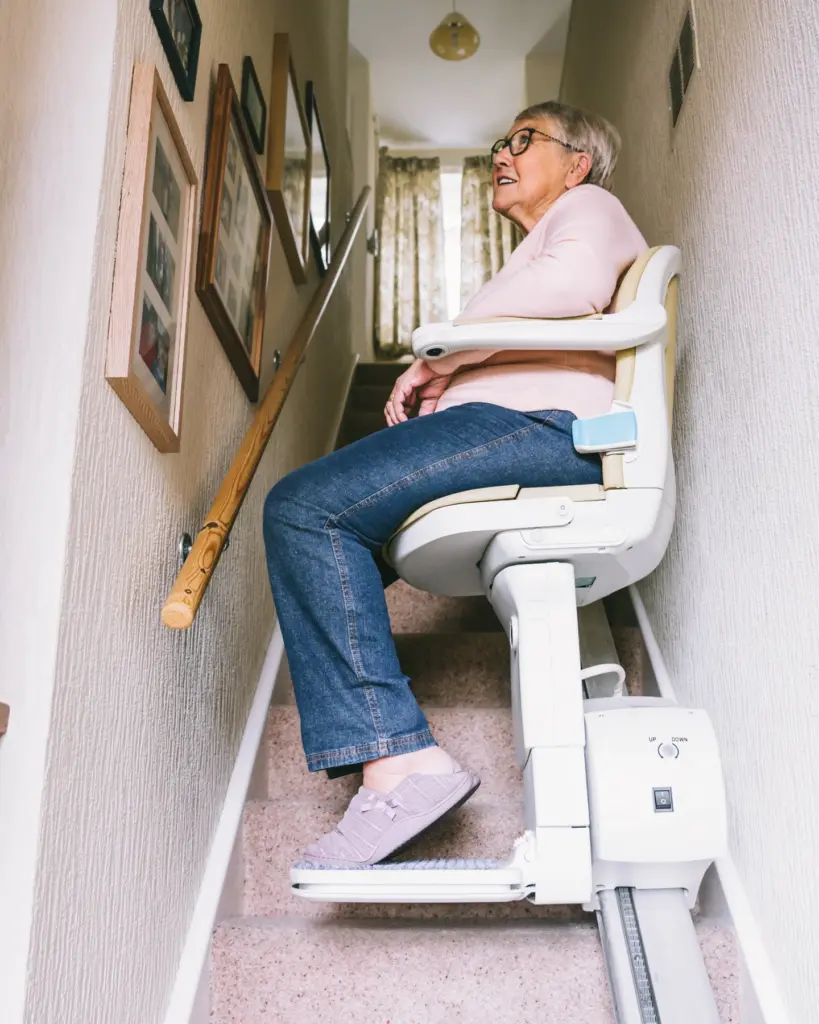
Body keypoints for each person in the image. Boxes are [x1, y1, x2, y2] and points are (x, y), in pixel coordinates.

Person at [263, 100, 647, 868]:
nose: (501, 154)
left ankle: (399, 761)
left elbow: (569, 285)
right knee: (326, 537)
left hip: (544, 429)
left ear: (576, 163)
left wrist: (439, 356)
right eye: (499, 142)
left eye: (523, 140)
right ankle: (389, 755)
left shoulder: (588, 208)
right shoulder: (542, 239)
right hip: (524, 427)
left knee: (304, 508)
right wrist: (449, 374)